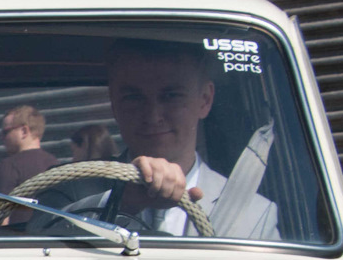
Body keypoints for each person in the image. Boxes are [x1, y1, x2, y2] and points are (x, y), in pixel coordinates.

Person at [103, 40, 279, 239]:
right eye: (134, 97)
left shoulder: (253, 215)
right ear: (114, 105)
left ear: (204, 100)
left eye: (171, 96)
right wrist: (122, 203)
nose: (153, 116)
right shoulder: (74, 193)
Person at [0, 104, 59, 227]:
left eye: (6, 131)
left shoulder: (9, 165)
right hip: (51, 237)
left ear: (24, 131)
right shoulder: (54, 163)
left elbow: (1, 216)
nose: (2, 137)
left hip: (20, 240)